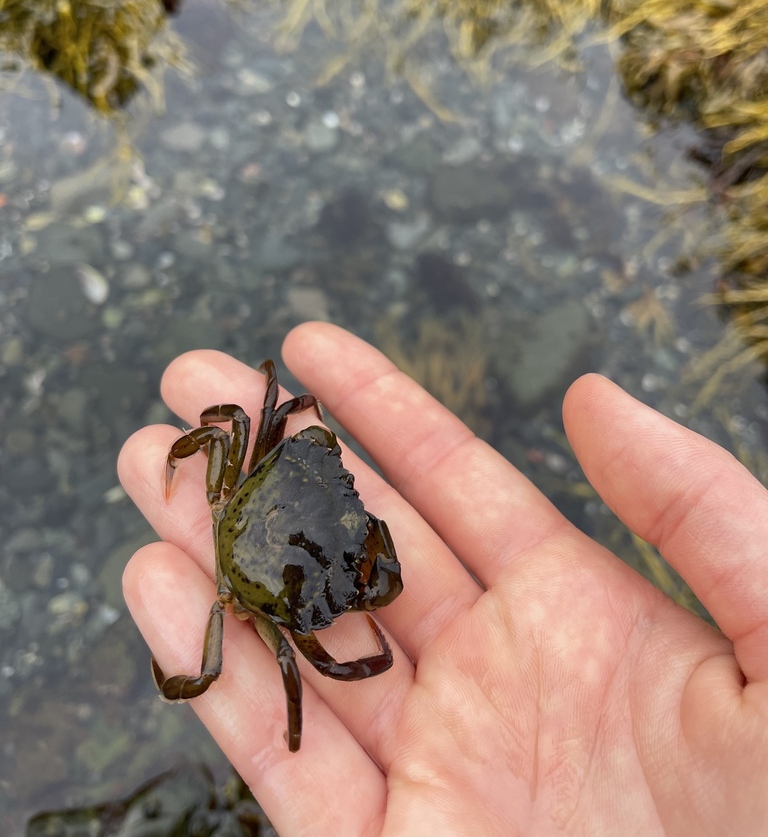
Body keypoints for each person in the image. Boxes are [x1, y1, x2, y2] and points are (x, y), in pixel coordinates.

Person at [119, 321, 768, 836]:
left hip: (244, 549)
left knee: (250, 423)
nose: (349, 489)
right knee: (294, 656)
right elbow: (333, 662)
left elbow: (242, 415)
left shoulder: (242, 470)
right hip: (250, 592)